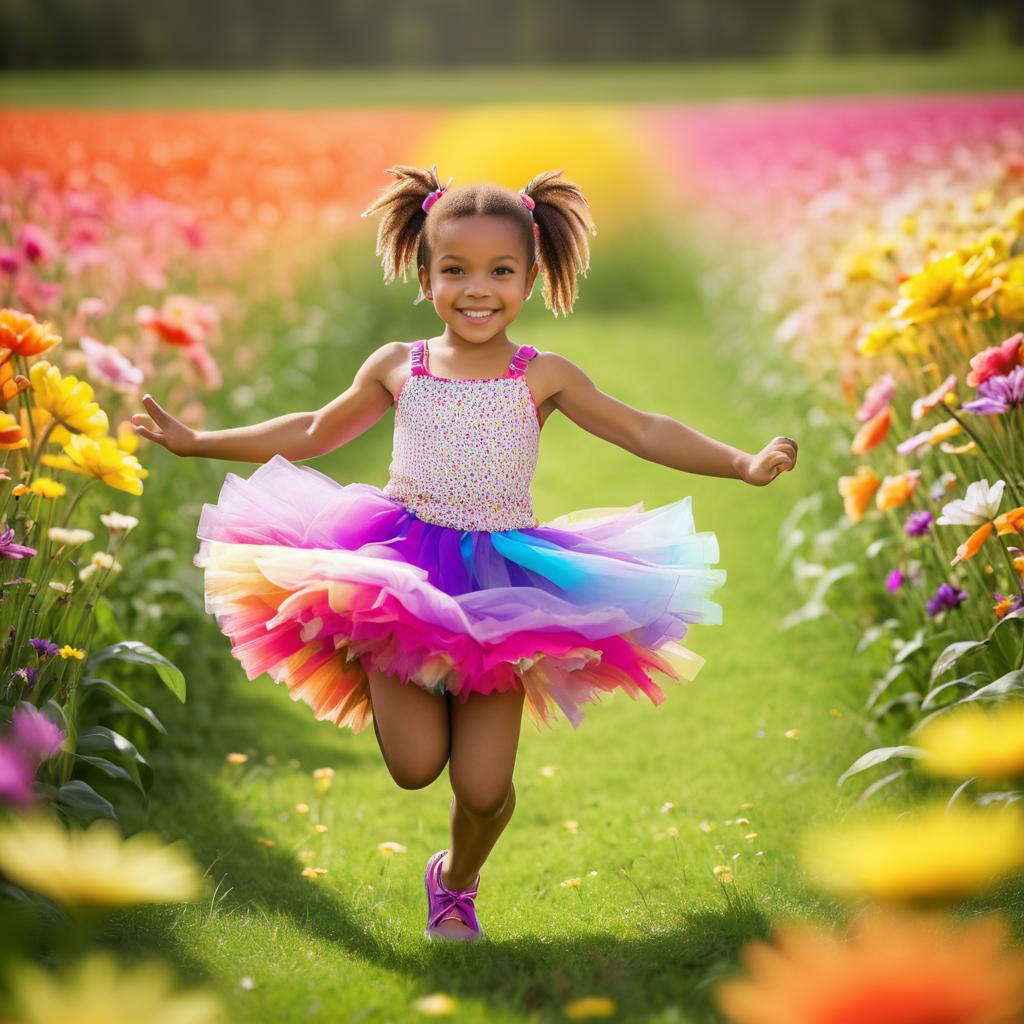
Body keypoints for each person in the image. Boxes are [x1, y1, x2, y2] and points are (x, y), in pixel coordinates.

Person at [130, 164, 798, 943]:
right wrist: (197, 442)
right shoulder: (398, 365)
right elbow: (314, 429)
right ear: (424, 273)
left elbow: (644, 429)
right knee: (415, 767)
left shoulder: (541, 374)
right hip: (396, 573)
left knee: (483, 790)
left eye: (500, 272)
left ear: (531, 277)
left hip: (502, 589)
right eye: (455, 270)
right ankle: (378, 658)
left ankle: (455, 881)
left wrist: (741, 463)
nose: (476, 289)